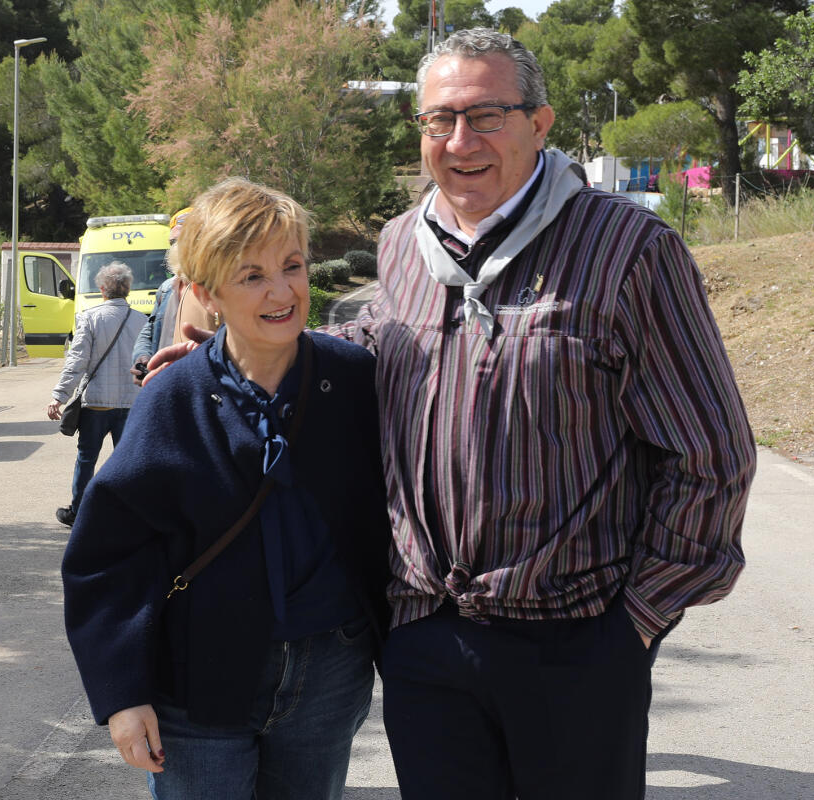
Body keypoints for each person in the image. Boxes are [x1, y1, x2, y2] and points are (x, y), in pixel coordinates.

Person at [145, 28, 757, 800]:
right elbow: (370, 348)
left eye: (485, 115)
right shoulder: (403, 243)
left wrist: (634, 621)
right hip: (426, 641)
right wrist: (228, 360)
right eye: (439, 121)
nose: (459, 141)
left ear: (541, 123)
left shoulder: (628, 249)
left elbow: (711, 455)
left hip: (575, 639)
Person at [61, 178, 391, 800]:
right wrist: (122, 695)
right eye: (252, 276)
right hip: (198, 677)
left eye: (292, 266)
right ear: (207, 294)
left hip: (330, 673)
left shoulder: (353, 380)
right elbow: (108, 556)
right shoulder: (171, 397)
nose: (282, 290)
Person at [47, 262, 146, 527]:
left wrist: (59, 396)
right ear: (127, 289)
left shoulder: (90, 318)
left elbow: (77, 361)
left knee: (87, 458)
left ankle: (78, 512)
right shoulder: (143, 320)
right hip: (131, 403)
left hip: (97, 405)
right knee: (128, 461)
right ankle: (131, 513)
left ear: (103, 289)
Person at [131, 206, 217, 385]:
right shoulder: (166, 288)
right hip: (165, 384)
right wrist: (142, 357)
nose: (177, 248)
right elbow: (151, 329)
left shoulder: (221, 288)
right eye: (173, 242)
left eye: (185, 240)